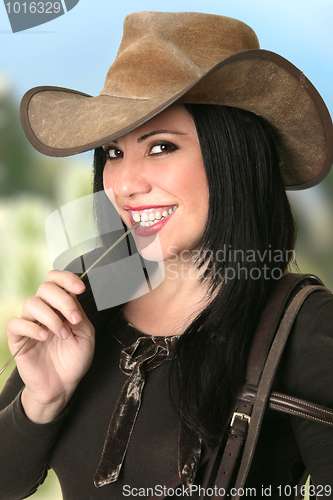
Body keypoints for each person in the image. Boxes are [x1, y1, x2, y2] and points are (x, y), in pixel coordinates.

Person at [1, 11, 333, 500]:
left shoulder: (306, 329)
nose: (125, 185)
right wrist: (42, 399)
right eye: (113, 152)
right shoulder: (90, 285)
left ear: (233, 159)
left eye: (160, 146)